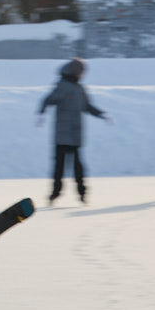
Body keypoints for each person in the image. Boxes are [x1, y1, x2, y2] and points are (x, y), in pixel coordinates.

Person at [36, 58, 109, 205]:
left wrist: (102, 114)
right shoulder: (62, 87)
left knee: (78, 167)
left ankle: (82, 193)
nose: (83, 74)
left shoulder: (80, 89)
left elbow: (87, 106)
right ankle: (55, 194)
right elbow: (48, 100)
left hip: (75, 135)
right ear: (75, 71)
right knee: (59, 167)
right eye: (82, 72)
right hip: (62, 135)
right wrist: (41, 113)